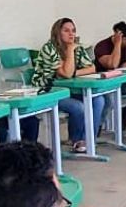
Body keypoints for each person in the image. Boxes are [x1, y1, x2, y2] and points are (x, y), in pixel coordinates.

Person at [32, 18, 106, 154]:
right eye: (66, 31)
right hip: (48, 92)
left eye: (73, 31)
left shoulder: (78, 47)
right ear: (57, 32)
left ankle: (88, 140)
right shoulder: (49, 48)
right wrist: (71, 51)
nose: (71, 34)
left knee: (98, 100)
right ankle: (76, 140)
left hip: (69, 89)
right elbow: (65, 73)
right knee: (78, 107)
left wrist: (75, 72)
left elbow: (92, 68)